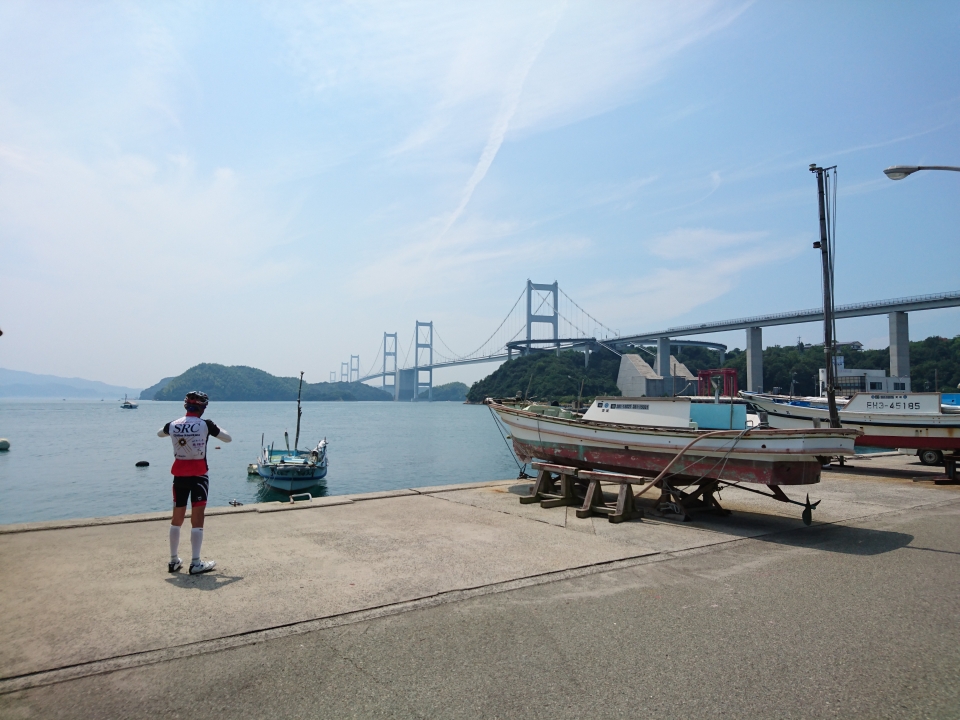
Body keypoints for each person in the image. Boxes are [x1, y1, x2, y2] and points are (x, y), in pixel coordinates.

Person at [158, 391, 232, 574]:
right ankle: (196, 562)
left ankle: (173, 561)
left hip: (179, 476)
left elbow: (160, 433)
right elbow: (227, 438)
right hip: (199, 475)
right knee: (197, 519)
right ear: (203, 407)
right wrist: (212, 428)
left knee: (177, 518)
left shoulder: (173, 424)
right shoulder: (205, 424)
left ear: (186, 406)